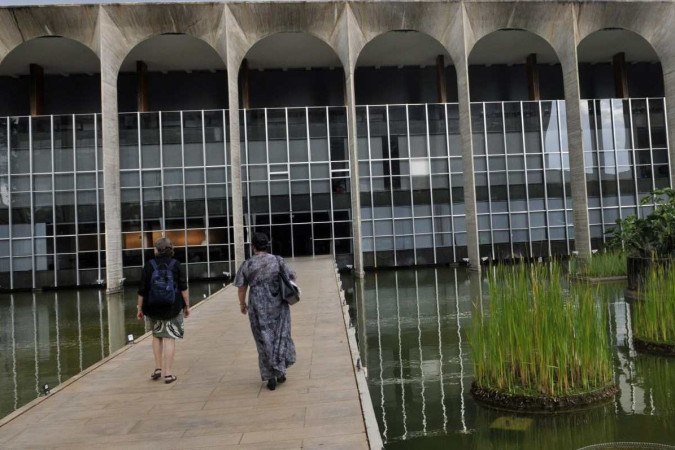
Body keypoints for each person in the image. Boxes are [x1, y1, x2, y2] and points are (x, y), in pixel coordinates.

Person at [234, 232, 296, 390]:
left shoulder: (247, 264)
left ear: (253, 246)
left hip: (258, 307)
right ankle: (280, 371)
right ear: (267, 245)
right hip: (278, 305)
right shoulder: (277, 260)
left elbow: (242, 287)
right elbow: (291, 277)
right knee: (280, 336)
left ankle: (270, 376)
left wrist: (242, 304)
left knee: (263, 340)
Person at [136, 237, 191, 384]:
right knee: (169, 337)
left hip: (153, 307)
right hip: (172, 306)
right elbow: (183, 287)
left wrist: (139, 308)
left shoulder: (149, 265)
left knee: (157, 336)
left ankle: (158, 368)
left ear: (157, 249)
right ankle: (168, 374)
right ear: (170, 249)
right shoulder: (176, 264)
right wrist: (187, 305)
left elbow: (142, 290)